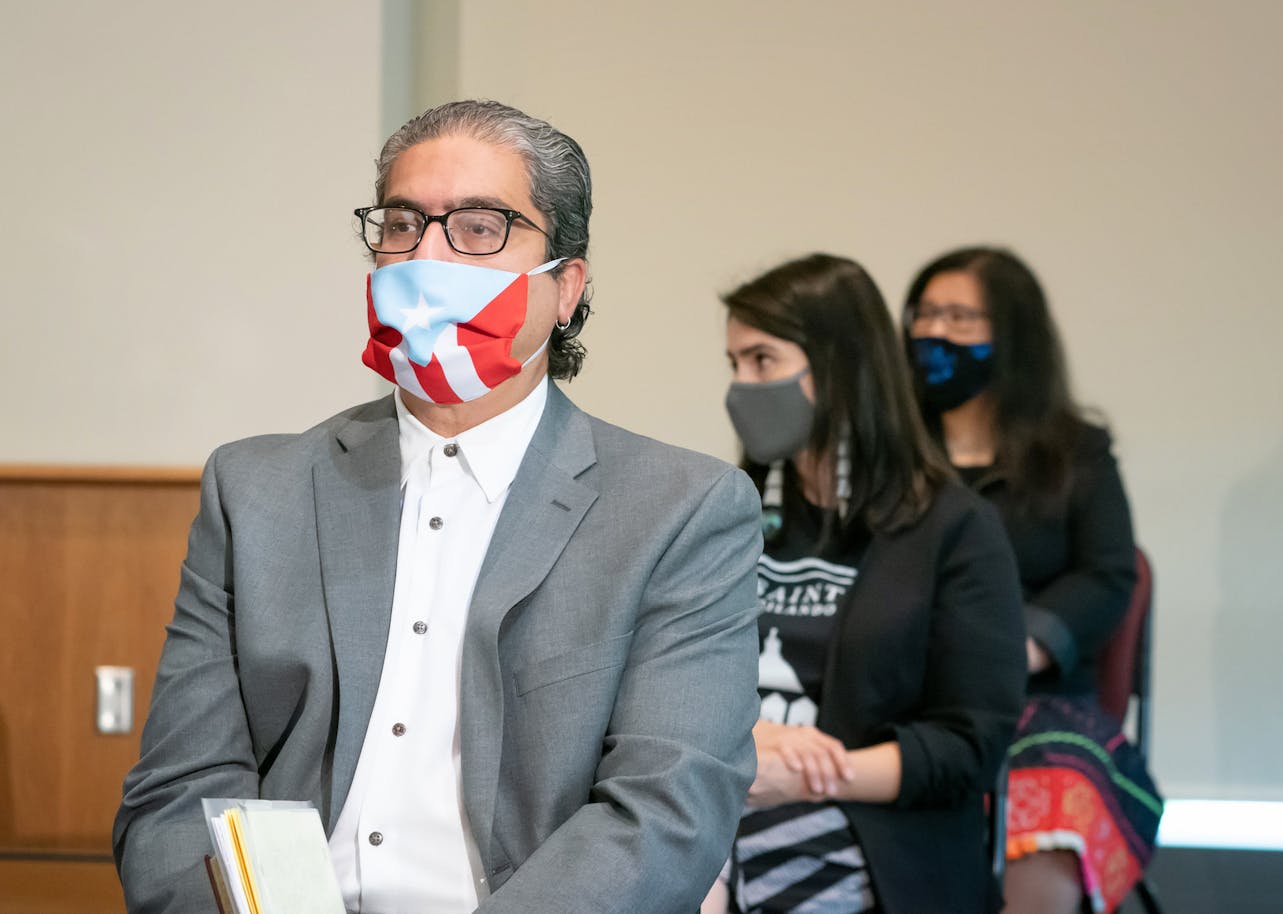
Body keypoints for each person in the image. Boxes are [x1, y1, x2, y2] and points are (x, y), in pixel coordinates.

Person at [113, 100, 765, 914]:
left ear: (566, 286)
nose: (427, 255)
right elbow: (180, 790)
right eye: (401, 223)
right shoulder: (256, 490)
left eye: (481, 227)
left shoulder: (679, 509)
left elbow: (668, 815)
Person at [704, 253, 1027, 914]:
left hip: (873, 825)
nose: (741, 387)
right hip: (724, 796)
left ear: (840, 369)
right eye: (734, 365)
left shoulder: (955, 529)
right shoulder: (726, 511)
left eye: (762, 361)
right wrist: (740, 751)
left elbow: (969, 747)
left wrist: (809, 776)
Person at [901, 246, 1163, 914]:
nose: (935, 332)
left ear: (1011, 337)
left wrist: (1015, 649)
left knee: (1052, 785)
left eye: (961, 318)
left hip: (1037, 699)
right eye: (925, 313)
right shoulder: (894, 454)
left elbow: (1109, 575)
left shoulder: (1075, 453)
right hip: (906, 696)